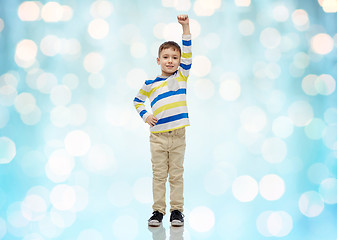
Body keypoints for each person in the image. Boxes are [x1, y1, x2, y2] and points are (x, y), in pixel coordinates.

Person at [133, 14, 192, 227]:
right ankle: (158, 211)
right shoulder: (150, 83)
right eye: (166, 57)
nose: (171, 61)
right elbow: (137, 101)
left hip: (178, 136)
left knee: (176, 175)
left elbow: (187, 51)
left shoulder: (181, 77)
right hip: (157, 138)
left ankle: (177, 211)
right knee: (159, 176)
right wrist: (146, 115)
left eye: (174, 58)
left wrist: (185, 26)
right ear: (158, 61)